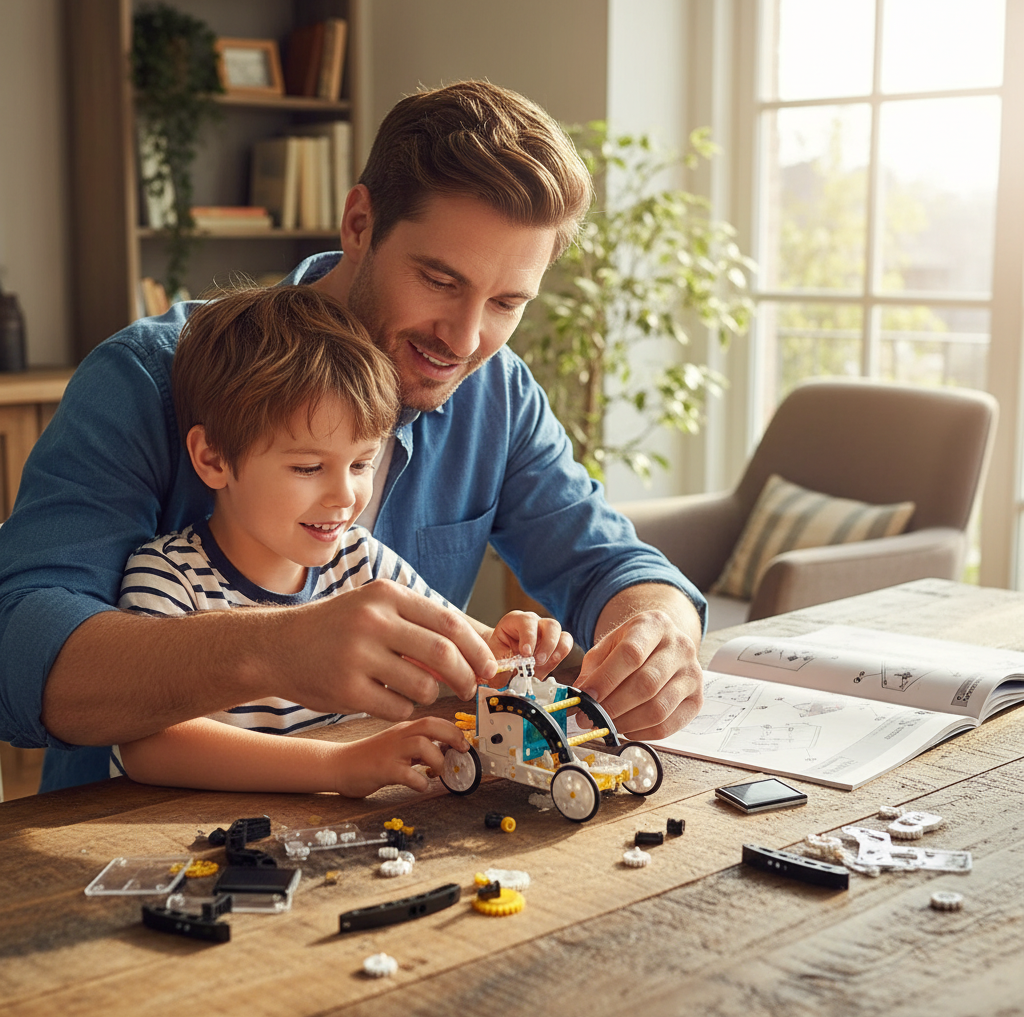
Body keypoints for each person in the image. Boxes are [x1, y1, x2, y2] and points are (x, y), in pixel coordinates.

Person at [0, 80, 706, 794]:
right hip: (124, 850)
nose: (464, 340)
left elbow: (609, 564)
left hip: (382, 834)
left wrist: (659, 634)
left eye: (505, 303)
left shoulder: (495, 392)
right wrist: (274, 649)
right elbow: (18, 651)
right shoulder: (151, 379)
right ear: (359, 222)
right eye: (439, 279)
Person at [112, 284, 571, 795]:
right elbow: (147, 744)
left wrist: (503, 649)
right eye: (308, 467)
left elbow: (457, 648)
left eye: (361, 464)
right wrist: (336, 766)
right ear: (214, 458)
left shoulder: (361, 561)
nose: (344, 496)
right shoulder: (169, 577)